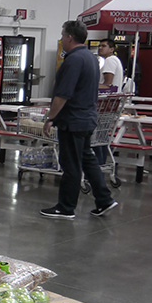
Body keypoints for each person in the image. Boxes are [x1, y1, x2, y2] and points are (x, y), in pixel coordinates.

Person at [40, 20, 118, 219]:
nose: (61, 39)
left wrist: (51, 118)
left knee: (71, 164)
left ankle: (66, 207)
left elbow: (63, 94)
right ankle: (104, 199)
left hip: (73, 120)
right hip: (88, 117)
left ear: (69, 37)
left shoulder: (73, 60)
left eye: (62, 35)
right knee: (87, 158)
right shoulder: (91, 58)